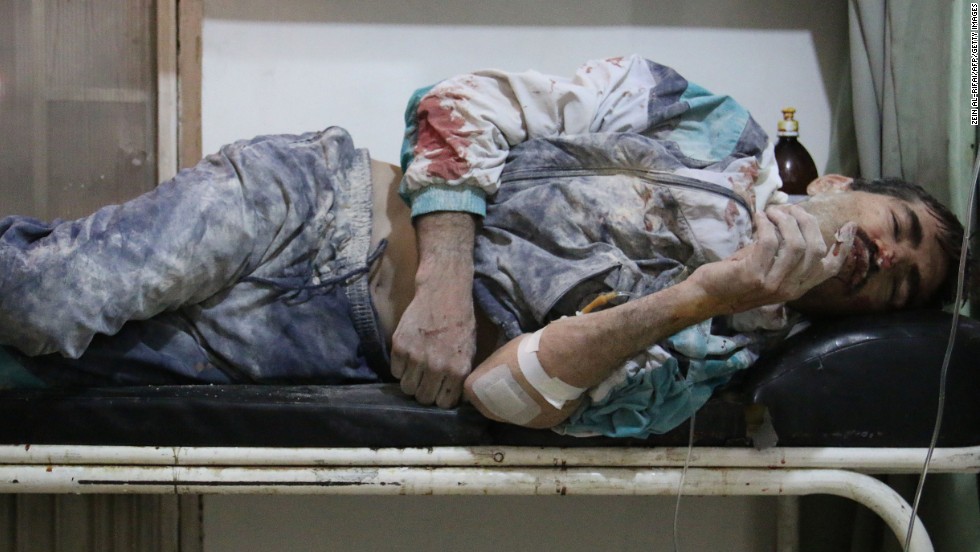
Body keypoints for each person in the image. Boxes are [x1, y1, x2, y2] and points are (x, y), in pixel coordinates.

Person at [0, 56, 965, 439]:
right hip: (315, 204)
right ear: (840, 187)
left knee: (31, 355)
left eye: (902, 287)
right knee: (46, 305)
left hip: (323, 341)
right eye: (899, 229)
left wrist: (700, 296)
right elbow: (465, 100)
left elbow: (504, 393)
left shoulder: (714, 359)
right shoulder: (707, 127)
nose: (889, 261)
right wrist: (448, 278)